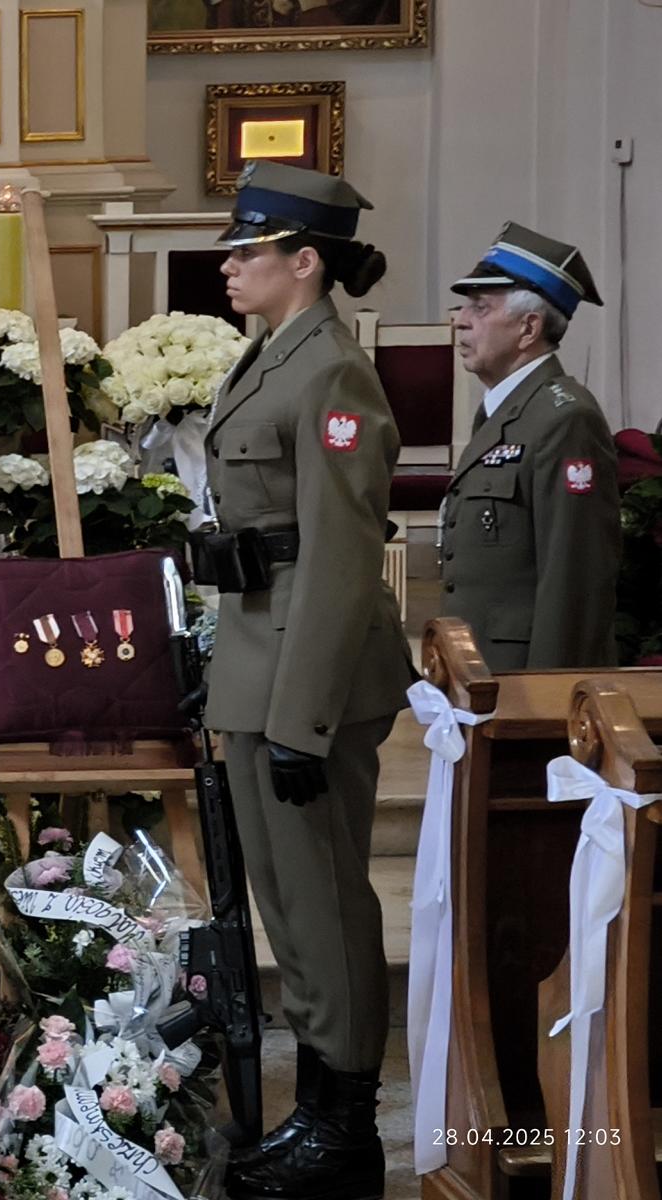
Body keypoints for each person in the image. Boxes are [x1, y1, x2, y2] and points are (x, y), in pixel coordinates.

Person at [199, 161, 415, 1200]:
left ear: (305, 262)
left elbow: (338, 556)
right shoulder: (271, 355)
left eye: (249, 249)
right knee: (288, 904)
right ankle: (320, 1111)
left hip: (304, 676)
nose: (229, 264)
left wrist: (302, 719)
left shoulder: (332, 372)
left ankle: (346, 1130)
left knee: (323, 901)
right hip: (258, 658)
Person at [443, 223, 621, 670]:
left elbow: (573, 580)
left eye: (480, 307)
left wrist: (550, 696)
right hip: (482, 669)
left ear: (528, 327)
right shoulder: (506, 410)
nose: (460, 319)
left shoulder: (565, 419)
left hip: (524, 677)